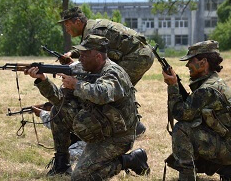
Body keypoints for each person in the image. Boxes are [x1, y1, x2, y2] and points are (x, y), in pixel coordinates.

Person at [25, 35, 150, 180]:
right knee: (59, 111)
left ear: (98, 56)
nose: (81, 57)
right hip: (97, 126)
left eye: (85, 54)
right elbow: (60, 100)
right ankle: (62, 164)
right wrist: (43, 80)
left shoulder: (114, 73)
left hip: (117, 136)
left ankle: (130, 160)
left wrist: (76, 85)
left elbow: (102, 94)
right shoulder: (84, 69)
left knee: (81, 177)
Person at [161, 40, 231, 181]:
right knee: (192, 130)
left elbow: (180, 114)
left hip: (230, 148)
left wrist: (173, 86)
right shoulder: (212, 81)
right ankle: (228, 170)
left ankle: (187, 178)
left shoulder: (207, 89)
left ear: (203, 62)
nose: (187, 65)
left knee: (182, 130)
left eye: (191, 61)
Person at [58, 6, 155, 135]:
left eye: (68, 25)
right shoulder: (92, 28)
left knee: (115, 86)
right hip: (140, 53)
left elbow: (94, 52)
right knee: (113, 86)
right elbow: (91, 48)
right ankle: (131, 125)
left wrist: (74, 66)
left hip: (137, 56)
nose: (66, 29)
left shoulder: (93, 32)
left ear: (78, 22)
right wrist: (71, 53)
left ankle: (133, 126)